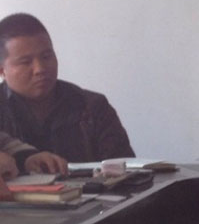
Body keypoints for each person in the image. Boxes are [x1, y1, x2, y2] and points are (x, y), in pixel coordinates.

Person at [0, 13, 135, 163]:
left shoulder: (92, 107)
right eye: (26, 62)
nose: (40, 69)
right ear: (2, 70)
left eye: (46, 57)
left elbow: (126, 168)